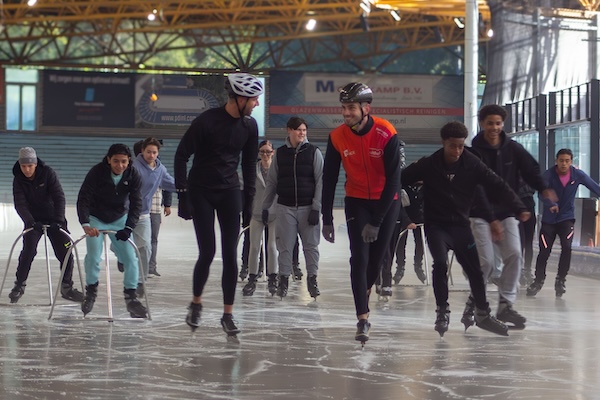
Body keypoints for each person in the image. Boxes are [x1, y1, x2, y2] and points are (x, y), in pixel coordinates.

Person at [402, 121, 530, 337]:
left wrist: (518, 206)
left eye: (461, 146)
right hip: (437, 226)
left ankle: (482, 314)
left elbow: (497, 183)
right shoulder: (429, 164)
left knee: (476, 271)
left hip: (461, 226)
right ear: (444, 143)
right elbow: (400, 178)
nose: (458, 151)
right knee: (440, 263)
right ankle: (442, 311)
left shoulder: (471, 163)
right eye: (453, 146)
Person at [174, 72, 262, 336]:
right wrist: (183, 195)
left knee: (230, 256)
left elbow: (248, 164)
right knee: (208, 252)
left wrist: (249, 201)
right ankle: (196, 302)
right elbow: (181, 156)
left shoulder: (250, 126)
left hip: (229, 191)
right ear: (239, 98)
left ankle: (228, 313)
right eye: (254, 99)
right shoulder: (206, 121)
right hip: (201, 190)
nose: (256, 104)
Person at [321, 82, 401, 344]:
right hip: (356, 201)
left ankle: (365, 298)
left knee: (376, 261)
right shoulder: (336, 137)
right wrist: (327, 218)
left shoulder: (386, 133)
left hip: (386, 202)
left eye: (351, 108)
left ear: (366, 108)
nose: (346, 113)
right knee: (359, 258)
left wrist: (378, 221)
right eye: (344, 108)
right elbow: (330, 179)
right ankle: (363, 318)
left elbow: (393, 181)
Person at [466, 104, 555, 330]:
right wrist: (491, 219)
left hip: (506, 211)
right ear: (482, 124)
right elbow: (476, 189)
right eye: (489, 123)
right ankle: (474, 303)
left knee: (515, 254)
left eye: (498, 123)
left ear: (502, 124)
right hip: (480, 214)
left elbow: (531, 170)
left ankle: (505, 305)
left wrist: (543, 189)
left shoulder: (512, 149)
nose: (494, 128)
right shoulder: (473, 153)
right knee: (486, 263)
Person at [76, 143, 147, 318]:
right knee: (94, 255)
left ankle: (131, 298)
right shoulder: (97, 172)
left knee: (131, 257)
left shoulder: (133, 174)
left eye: (124, 161)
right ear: (109, 160)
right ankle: (91, 291)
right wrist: (86, 224)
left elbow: (137, 203)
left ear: (129, 161)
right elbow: (84, 197)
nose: (120, 165)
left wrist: (129, 227)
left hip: (119, 218)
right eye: (116, 161)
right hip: (96, 218)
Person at [10, 147, 84, 304]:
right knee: (28, 252)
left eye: (30, 166)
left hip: (54, 218)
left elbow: (59, 196)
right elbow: (20, 204)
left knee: (65, 251)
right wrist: (30, 222)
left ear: (35, 164)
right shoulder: (18, 179)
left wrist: (58, 220)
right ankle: (19, 285)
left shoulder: (48, 173)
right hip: (33, 221)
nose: (27, 170)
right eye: (24, 166)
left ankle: (67, 286)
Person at [262, 116, 324, 299]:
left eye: (304, 130)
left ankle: (312, 280)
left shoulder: (314, 152)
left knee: (311, 247)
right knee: (285, 247)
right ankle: (284, 281)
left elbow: (321, 181)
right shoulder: (280, 154)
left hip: (307, 208)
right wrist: (266, 207)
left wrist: (316, 208)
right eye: (298, 130)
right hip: (285, 207)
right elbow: (272, 183)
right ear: (289, 130)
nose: (302, 134)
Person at [527, 148, 600, 297]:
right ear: (556, 161)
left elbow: (594, 187)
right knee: (544, 251)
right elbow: (541, 193)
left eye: (567, 161)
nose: (564, 164)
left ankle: (560, 280)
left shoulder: (577, 174)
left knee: (567, 247)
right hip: (549, 221)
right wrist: (550, 203)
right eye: (561, 161)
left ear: (571, 162)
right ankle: (538, 280)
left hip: (566, 219)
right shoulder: (549, 175)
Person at [131, 137, 176, 291]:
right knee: (123, 245)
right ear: (142, 151)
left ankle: (140, 281)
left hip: (144, 213)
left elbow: (171, 183)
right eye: (148, 152)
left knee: (146, 247)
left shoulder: (160, 169)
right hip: (125, 212)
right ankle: (122, 257)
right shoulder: (133, 167)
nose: (151, 155)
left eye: (154, 152)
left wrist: (191, 186)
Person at [242, 140, 279, 296]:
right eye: (262, 151)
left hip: (274, 214)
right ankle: (252, 278)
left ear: (273, 152)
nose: (265, 155)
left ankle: (273, 278)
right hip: (256, 213)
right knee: (254, 247)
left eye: (268, 152)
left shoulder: (278, 170)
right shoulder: (253, 170)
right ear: (258, 153)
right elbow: (246, 191)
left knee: (272, 247)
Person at [393, 182, 427, 285]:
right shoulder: (403, 184)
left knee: (420, 242)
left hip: (421, 218)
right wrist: (406, 220)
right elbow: (398, 204)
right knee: (400, 243)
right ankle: (400, 267)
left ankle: (418, 265)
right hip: (404, 217)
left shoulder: (427, 185)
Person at [518, 181, 536, 287]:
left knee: (528, 242)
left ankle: (527, 268)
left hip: (529, 207)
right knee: (520, 241)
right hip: (517, 208)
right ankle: (519, 269)